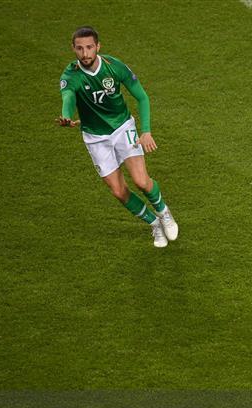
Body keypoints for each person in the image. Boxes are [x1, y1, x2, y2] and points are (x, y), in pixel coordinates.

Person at [57, 26, 178, 248]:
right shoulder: (70, 76)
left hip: (122, 128)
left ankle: (164, 211)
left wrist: (146, 130)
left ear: (98, 47)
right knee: (118, 191)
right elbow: (68, 98)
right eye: (80, 48)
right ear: (73, 49)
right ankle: (154, 224)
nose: (85, 54)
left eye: (89, 48)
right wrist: (66, 115)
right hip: (95, 138)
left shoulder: (115, 67)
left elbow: (142, 97)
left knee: (142, 181)